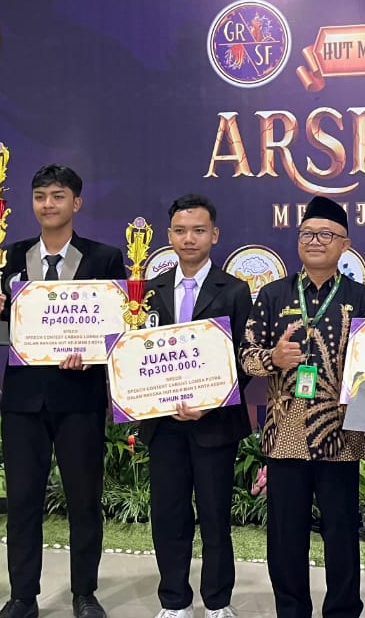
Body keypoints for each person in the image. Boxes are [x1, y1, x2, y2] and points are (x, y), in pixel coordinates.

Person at [0, 164, 125, 618]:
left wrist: (92, 352)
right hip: (23, 398)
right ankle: (23, 596)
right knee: (21, 500)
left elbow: (117, 327)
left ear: (75, 203)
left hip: (79, 397)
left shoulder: (105, 257)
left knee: (83, 500)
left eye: (58, 196)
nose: (48, 204)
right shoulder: (8, 256)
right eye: (40, 196)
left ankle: (84, 593)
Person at [239, 196, 365, 618]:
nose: (315, 241)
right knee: (285, 536)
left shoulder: (364, 298)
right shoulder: (272, 294)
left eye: (326, 234)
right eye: (307, 233)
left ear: (345, 244)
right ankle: (291, 609)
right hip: (285, 434)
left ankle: (342, 610)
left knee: (341, 532)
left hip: (342, 434)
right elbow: (245, 356)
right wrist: (273, 360)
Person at [139, 194, 252, 618]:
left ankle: (218, 602)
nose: (190, 239)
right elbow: (136, 357)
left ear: (214, 235)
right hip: (163, 425)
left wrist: (210, 403)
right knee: (168, 515)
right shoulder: (147, 293)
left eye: (199, 230)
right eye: (181, 231)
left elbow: (247, 359)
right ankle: (174, 601)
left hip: (215, 425)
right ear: (169, 236)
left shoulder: (236, 290)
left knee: (215, 515)